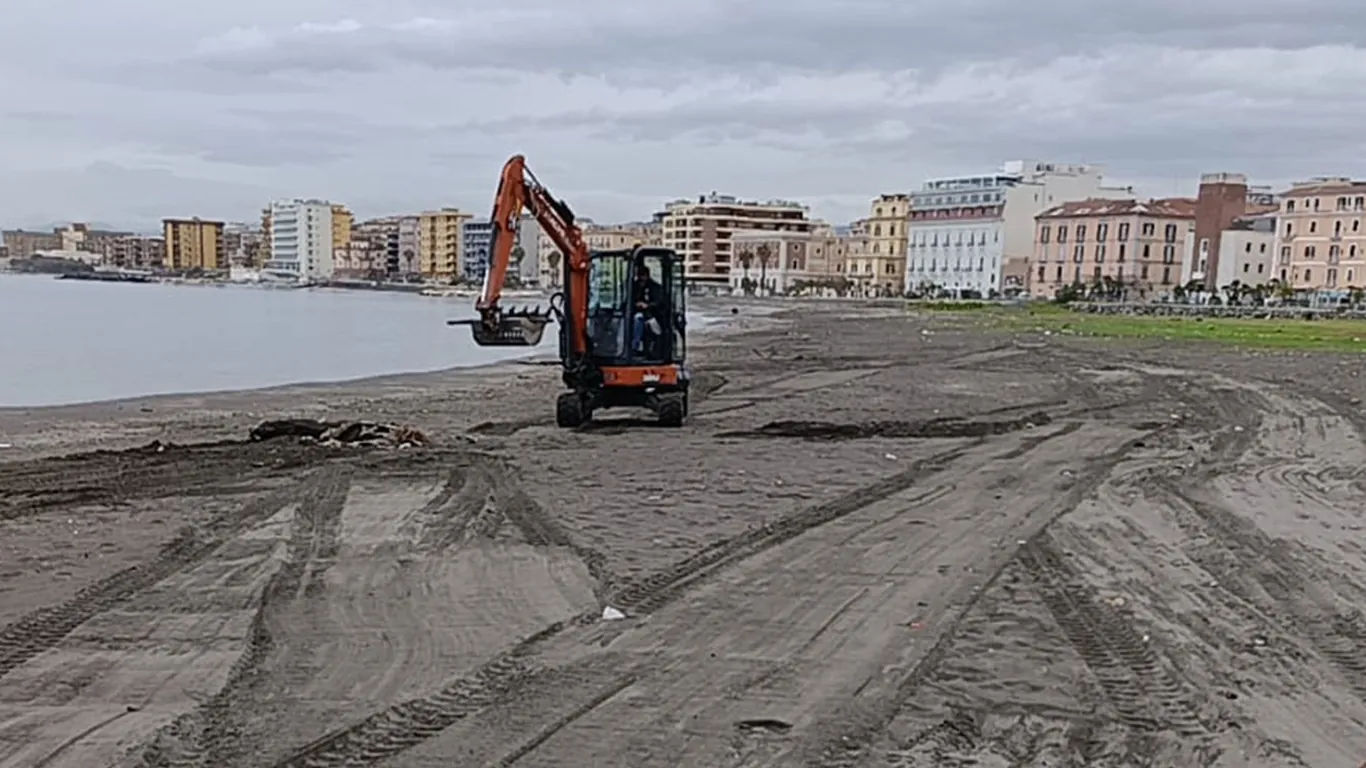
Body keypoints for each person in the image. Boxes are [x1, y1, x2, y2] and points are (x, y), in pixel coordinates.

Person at [631, 264, 663, 354]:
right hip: (634, 312)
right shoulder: (634, 286)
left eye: (642, 276)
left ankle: (634, 347)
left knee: (638, 318)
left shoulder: (655, 287)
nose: (640, 279)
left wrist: (647, 305)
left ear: (647, 276)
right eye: (639, 276)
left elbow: (659, 302)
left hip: (651, 315)